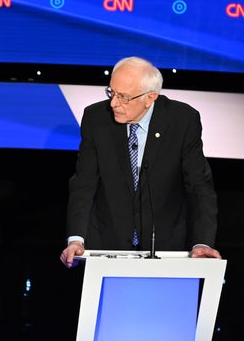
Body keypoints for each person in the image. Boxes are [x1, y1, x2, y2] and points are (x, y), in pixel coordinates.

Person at [61, 56, 220, 266]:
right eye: (111, 92)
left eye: (124, 97)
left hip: (167, 247)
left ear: (150, 97)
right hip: (107, 244)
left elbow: (199, 187)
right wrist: (76, 239)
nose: (114, 103)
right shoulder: (95, 118)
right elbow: (84, 183)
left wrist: (202, 242)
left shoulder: (183, 121)